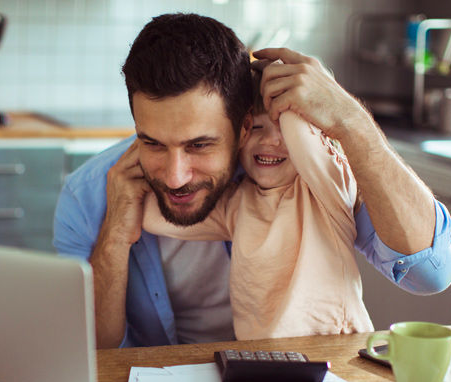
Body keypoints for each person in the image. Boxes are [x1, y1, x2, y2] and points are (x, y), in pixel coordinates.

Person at [54, 13, 451, 348]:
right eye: (153, 143)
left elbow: (430, 274)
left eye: (199, 145)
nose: (175, 177)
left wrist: (350, 121)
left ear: (243, 127)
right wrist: (114, 235)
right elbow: (89, 356)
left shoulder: (291, 170)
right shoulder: (90, 195)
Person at [142, 63, 375, 340]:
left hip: (335, 346)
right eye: (257, 127)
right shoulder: (237, 204)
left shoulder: (326, 187)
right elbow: (151, 217)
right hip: (265, 358)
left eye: (282, 127)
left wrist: (276, 74)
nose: (269, 140)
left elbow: (304, 138)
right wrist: (157, 142)